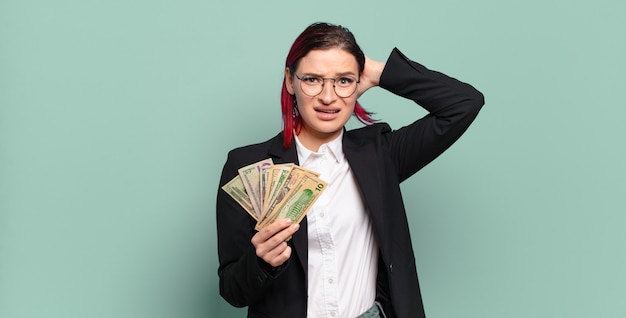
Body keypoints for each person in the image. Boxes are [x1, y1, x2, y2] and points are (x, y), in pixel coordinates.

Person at [216, 22, 484, 318]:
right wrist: (262, 263)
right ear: (290, 81)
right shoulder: (248, 167)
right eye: (313, 80)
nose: (328, 97)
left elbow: (464, 104)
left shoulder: (381, 155)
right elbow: (231, 290)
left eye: (343, 81)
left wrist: (379, 72)